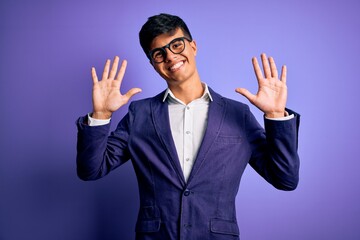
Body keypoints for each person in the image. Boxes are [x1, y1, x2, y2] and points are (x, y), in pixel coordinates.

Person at [76, 13, 300, 240]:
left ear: (193, 46)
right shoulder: (139, 114)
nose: (170, 57)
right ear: (153, 64)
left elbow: (285, 179)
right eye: (159, 53)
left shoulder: (237, 114)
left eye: (176, 44)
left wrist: (275, 115)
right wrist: (101, 115)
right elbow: (91, 170)